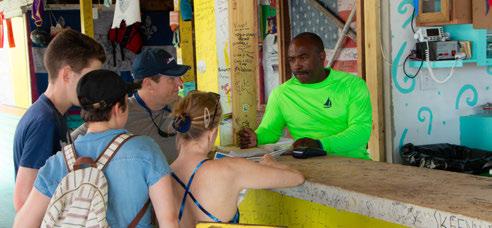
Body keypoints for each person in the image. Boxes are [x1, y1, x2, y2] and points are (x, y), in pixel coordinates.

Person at [13, 69, 178, 227]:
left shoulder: (58, 162)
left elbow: (23, 223)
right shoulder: (146, 150)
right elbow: (168, 220)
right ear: (117, 109)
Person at [170, 91, 305, 227]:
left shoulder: (162, 174)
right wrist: (271, 163)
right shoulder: (231, 169)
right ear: (211, 133)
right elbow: (297, 178)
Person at [239, 32, 372, 160]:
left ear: (322, 56)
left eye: (303, 57)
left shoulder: (352, 85)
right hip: (308, 166)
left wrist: (320, 145)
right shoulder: (282, 94)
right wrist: (256, 137)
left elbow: (361, 131)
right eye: (292, 60)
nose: (297, 65)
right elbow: (270, 130)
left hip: (354, 165)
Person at [13, 28, 106, 211]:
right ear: (67, 75)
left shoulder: (53, 114)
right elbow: (23, 201)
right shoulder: (44, 122)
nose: (94, 87)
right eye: (89, 78)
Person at [73, 48, 189, 163]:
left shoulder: (185, 106)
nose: (179, 84)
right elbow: (74, 144)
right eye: (171, 79)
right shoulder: (119, 112)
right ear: (148, 84)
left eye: (178, 77)